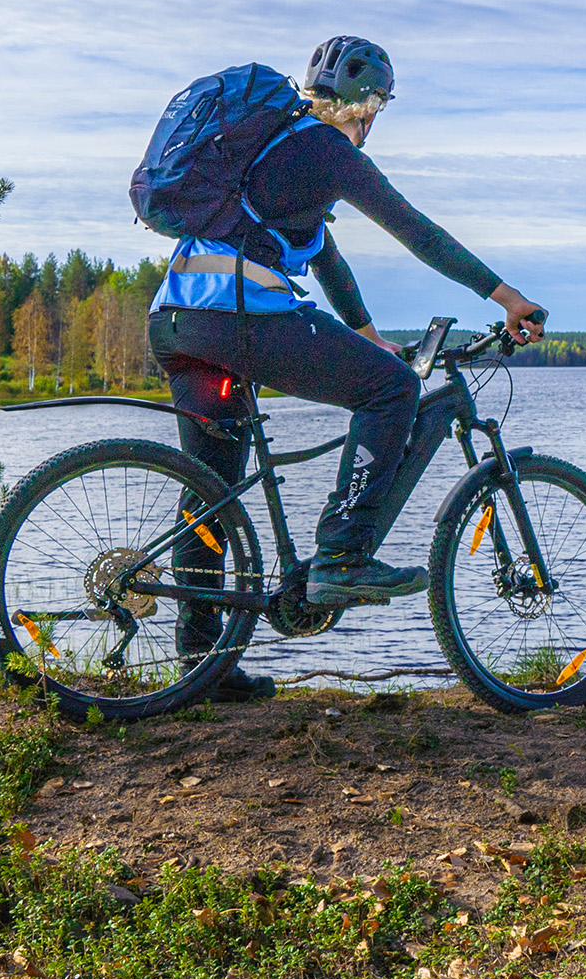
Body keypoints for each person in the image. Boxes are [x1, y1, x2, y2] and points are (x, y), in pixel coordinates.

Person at [145, 36, 548, 617]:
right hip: (238, 317)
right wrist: (507, 296)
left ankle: (199, 663)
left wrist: (367, 338)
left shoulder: (276, 152)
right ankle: (342, 554)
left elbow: (327, 259)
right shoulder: (329, 152)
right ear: (368, 105)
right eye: (379, 106)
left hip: (180, 325)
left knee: (212, 491)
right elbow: (417, 232)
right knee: (392, 388)